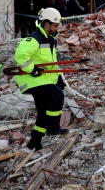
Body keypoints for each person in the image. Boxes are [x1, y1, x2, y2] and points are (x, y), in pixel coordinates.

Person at [14, 8, 68, 151]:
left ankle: (34, 142)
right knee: (57, 95)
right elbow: (20, 55)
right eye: (55, 26)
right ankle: (53, 127)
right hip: (32, 80)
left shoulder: (49, 40)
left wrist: (58, 79)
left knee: (44, 111)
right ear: (46, 24)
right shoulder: (34, 39)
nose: (57, 29)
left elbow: (52, 64)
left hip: (43, 80)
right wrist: (32, 69)